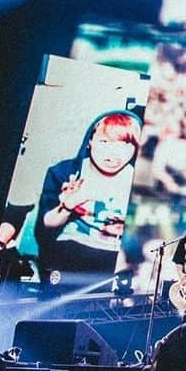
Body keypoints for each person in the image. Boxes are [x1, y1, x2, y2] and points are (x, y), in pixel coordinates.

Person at [36, 110, 142, 276]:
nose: (113, 153)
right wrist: (69, 204)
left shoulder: (138, 183)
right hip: (69, 249)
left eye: (125, 144)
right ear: (90, 141)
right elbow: (45, 226)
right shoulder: (65, 172)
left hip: (114, 256)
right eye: (105, 141)